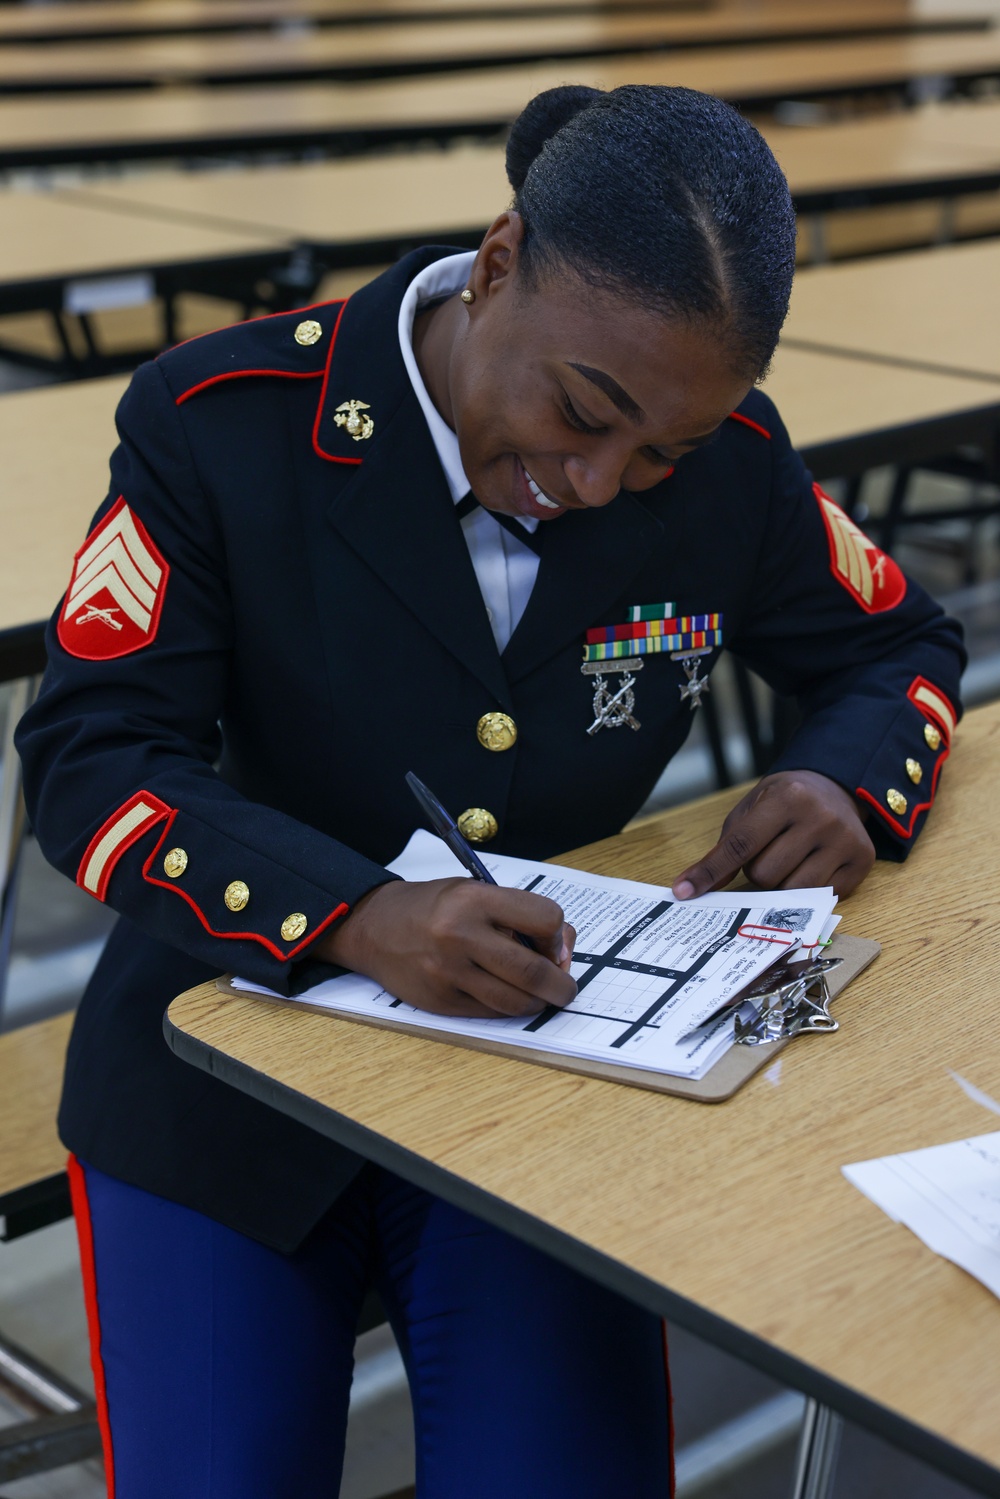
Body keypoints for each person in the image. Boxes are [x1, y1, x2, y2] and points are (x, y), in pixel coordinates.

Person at [17, 83, 963, 1498]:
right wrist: (353, 914)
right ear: (503, 259)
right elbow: (91, 759)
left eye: (662, 452)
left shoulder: (735, 473)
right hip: (222, 1081)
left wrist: (843, 782)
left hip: (552, 1088)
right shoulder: (223, 423)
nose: (597, 481)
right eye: (581, 411)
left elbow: (900, 642)